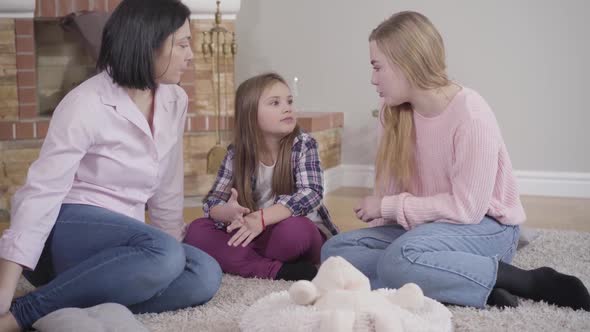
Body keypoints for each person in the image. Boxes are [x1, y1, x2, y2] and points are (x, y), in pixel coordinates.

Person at [321, 11, 590, 311]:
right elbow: (390, 192)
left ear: (405, 63)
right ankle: (469, 286)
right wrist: (383, 222)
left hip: (486, 227)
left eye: (377, 67)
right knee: (335, 254)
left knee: (399, 258)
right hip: (424, 229)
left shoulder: (471, 114)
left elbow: (467, 209)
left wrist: (387, 208)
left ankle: (528, 280)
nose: (372, 79)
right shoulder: (392, 112)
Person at [0, 0, 223, 330]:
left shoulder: (175, 99)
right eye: (182, 44)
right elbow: (42, 193)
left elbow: (168, 182)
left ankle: (82, 292)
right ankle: (23, 313)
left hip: (127, 240)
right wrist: (5, 286)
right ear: (148, 43)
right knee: (165, 256)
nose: (190, 55)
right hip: (68, 228)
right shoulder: (84, 104)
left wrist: (166, 250)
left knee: (203, 274)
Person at [183, 73, 339, 281]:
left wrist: (262, 218)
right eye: (275, 103)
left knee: (293, 233)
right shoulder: (236, 153)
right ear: (250, 114)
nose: (287, 107)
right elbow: (213, 202)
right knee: (196, 232)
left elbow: (312, 193)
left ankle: (245, 260)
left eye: (289, 101)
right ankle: (275, 270)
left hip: (293, 233)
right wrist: (227, 212)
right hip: (254, 233)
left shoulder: (303, 144)